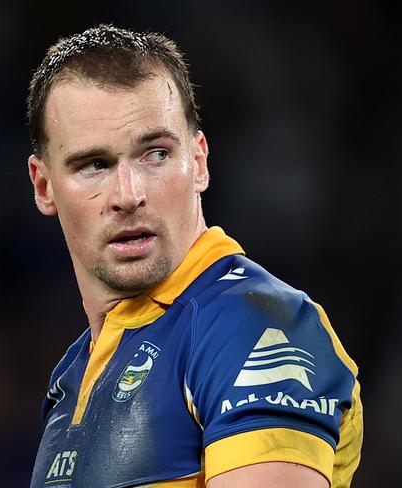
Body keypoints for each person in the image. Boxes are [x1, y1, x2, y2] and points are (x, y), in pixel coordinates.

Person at [25, 24, 362, 488]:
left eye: (155, 154)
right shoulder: (73, 375)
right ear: (44, 186)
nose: (128, 195)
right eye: (94, 165)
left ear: (199, 161)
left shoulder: (255, 325)